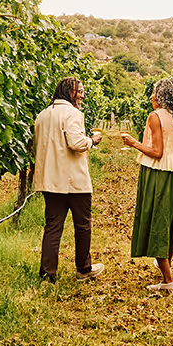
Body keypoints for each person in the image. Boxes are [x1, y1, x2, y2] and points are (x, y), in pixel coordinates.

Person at [119, 77, 173, 294]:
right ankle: (164, 264)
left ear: (162, 95)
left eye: (154, 92)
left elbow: (157, 152)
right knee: (168, 220)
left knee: (156, 220)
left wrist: (133, 143)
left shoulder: (156, 116)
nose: (151, 96)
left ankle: (168, 281)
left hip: (157, 173)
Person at [32, 77, 104, 282]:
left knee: (53, 227)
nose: (81, 95)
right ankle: (83, 269)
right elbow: (76, 142)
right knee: (83, 225)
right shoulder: (73, 113)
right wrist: (92, 140)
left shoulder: (42, 115)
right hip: (74, 181)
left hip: (50, 180)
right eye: (78, 91)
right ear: (68, 92)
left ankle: (47, 274)